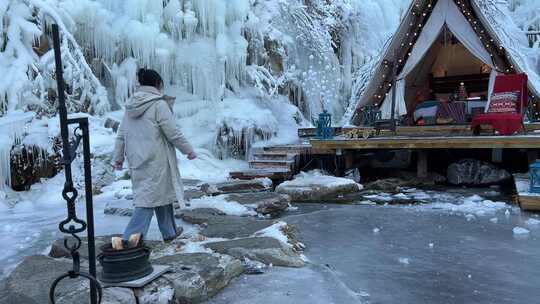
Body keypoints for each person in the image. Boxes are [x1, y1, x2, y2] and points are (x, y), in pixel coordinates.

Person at [113, 68, 196, 242]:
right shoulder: (159, 104)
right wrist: (188, 150)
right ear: (158, 84)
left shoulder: (131, 106)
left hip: (137, 159)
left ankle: (170, 232)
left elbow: (122, 134)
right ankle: (129, 240)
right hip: (157, 160)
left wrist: (118, 158)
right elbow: (172, 132)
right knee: (147, 200)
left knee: (161, 194)